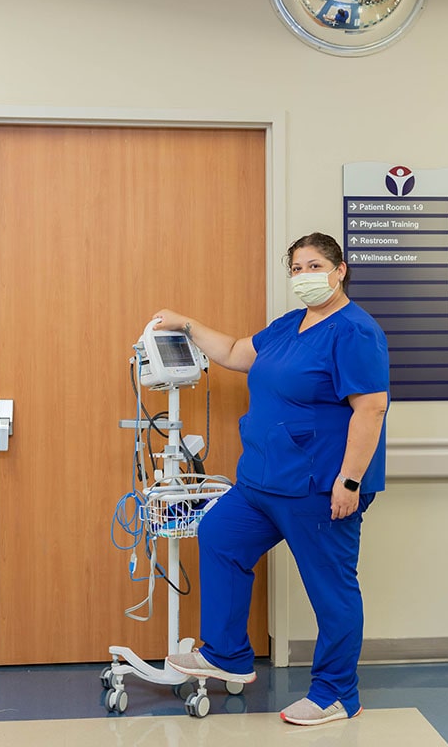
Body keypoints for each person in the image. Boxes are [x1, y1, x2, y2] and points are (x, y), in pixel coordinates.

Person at [153, 232, 390, 726]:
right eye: (296, 268)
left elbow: (371, 408)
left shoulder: (355, 331)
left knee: (331, 589)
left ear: (339, 270)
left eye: (314, 266)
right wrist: (188, 324)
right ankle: (228, 654)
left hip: (318, 487)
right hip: (262, 481)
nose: (304, 276)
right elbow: (240, 352)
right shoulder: (291, 325)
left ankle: (337, 693)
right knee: (219, 534)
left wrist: (349, 481)